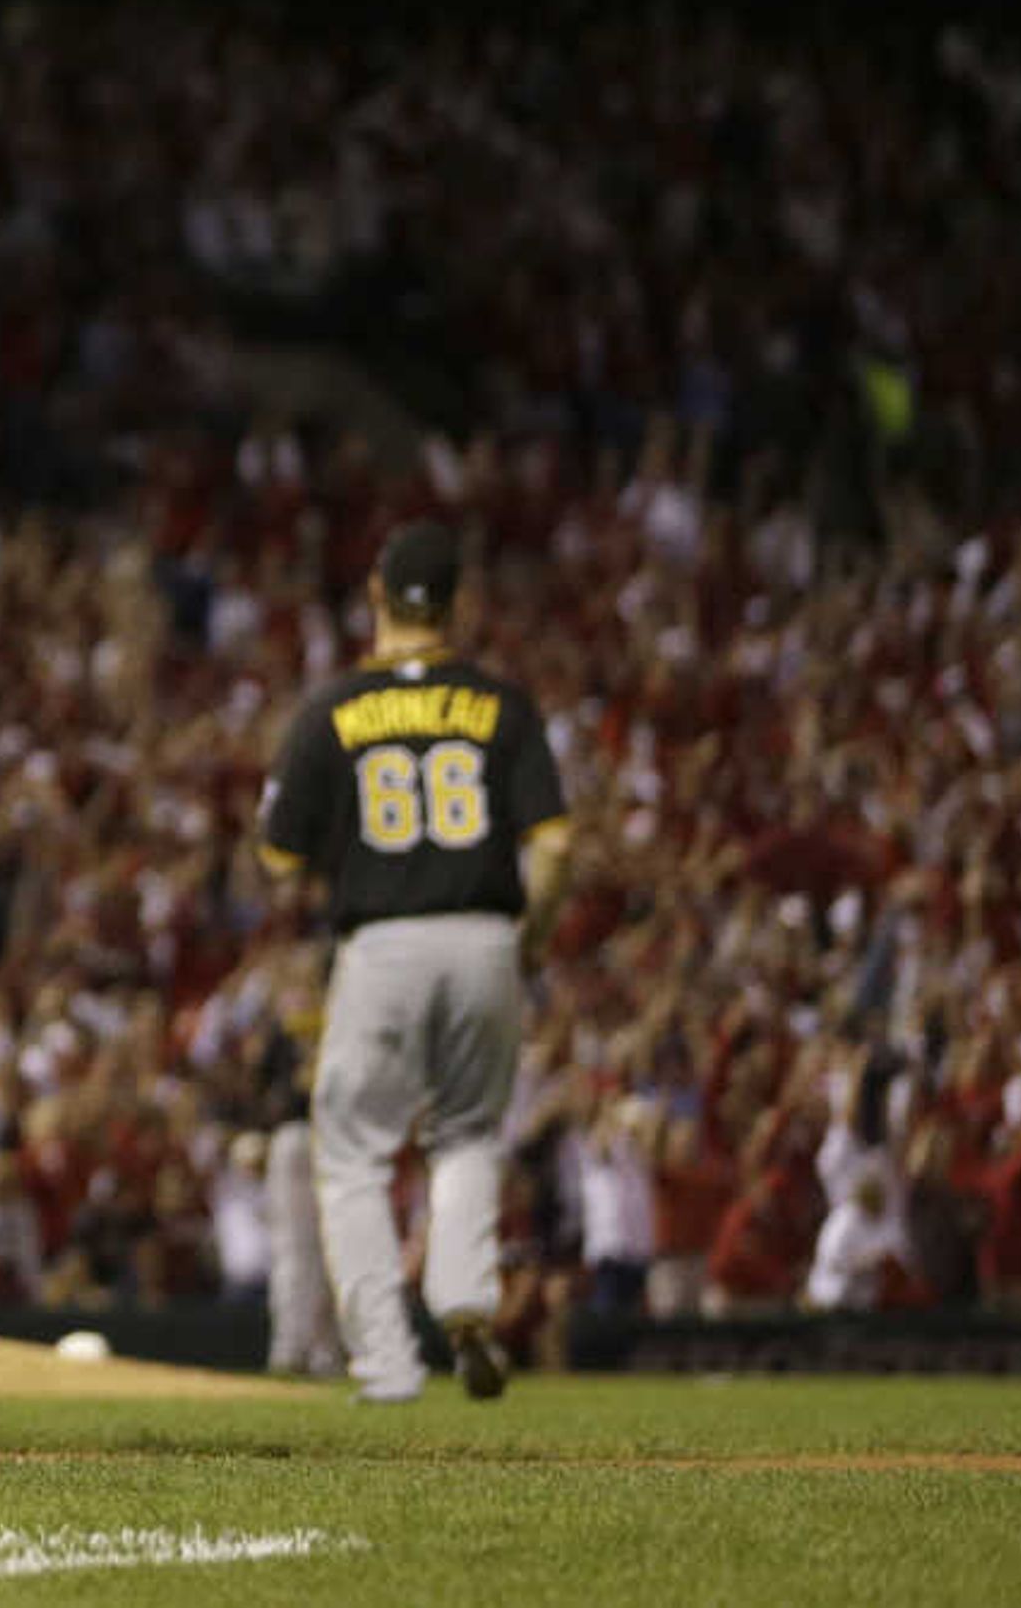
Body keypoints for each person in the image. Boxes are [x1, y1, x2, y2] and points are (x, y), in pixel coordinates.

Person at [256, 521, 569, 1403]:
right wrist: (532, 934)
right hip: (484, 936)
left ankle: (389, 1365)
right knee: (467, 1131)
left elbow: (278, 854)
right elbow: (554, 841)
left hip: (383, 938)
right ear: (461, 603)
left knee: (353, 1152)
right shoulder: (502, 705)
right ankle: (466, 1295)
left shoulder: (332, 709)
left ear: (376, 598)